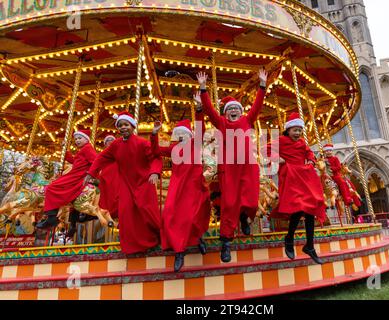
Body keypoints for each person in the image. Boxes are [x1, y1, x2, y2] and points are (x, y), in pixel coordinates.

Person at [197, 68, 268, 263]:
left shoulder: (247, 120)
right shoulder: (222, 123)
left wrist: (262, 85)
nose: (234, 111)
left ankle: (245, 217)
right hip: (229, 169)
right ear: (226, 113)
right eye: (230, 110)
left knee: (252, 201)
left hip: (248, 167)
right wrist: (203, 89)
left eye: (236, 109)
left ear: (241, 111)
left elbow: (257, 106)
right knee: (229, 205)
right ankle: (226, 243)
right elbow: (210, 111)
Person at [83, 112, 162, 255]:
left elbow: (155, 158)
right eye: (120, 125)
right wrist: (91, 173)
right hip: (126, 184)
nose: (123, 127)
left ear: (132, 126)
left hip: (143, 182)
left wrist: (155, 172)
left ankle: (159, 237)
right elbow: (101, 157)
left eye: (126, 124)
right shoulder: (116, 145)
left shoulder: (142, 143)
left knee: (147, 211)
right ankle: (132, 247)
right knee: (126, 213)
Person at [151, 94, 211, 272]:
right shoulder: (173, 149)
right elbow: (156, 151)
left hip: (194, 184)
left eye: (185, 134)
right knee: (169, 214)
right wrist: (154, 134)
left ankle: (197, 237)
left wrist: (199, 108)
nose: (182, 137)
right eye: (179, 135)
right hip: (178, 185)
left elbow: (200, 128)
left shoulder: (195, 144)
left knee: (193, 216)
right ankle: (179, 251)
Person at [267, 113, 326, 264]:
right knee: (299, 209)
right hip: (290, 177)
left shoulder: (301, 143)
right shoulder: (281, 140)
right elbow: (265, 149)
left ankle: (309, 245)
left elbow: (309, 152)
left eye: (300, 130)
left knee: (310, 209)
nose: (298, 133)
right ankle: (290, 238)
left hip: (303, 177)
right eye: (295, 130)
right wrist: (278, 159)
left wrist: (312, 161)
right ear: (288, 130)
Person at [36, 129, 97, 229]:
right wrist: (65, 150)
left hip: (78, 176)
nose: (77, 140)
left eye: (80, 138)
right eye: (76, 139)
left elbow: (95, 161)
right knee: (53, 185)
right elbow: (74, 161)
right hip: (75, 174)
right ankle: (52, 216)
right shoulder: (83, 149)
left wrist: (90, 174)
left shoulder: (88, 149)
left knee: (52, 187)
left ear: (86, 139)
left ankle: (51, 217)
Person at [98, 135, 120, 222]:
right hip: (105, 176)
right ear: (105, 144)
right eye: (108, 140)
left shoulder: (119, 152)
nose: (110, 141)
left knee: (117, 193)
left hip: (117, 175)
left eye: (112, 140)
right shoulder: (103, 154)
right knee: (105, 194)